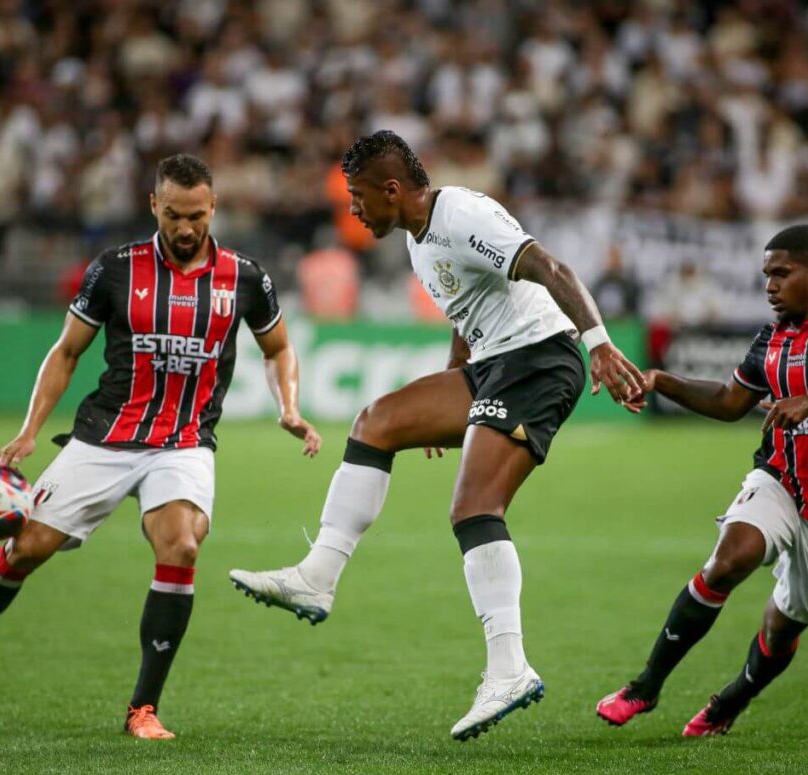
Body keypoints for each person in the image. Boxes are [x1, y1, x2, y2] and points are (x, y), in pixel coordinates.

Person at [228, 130, 645, 741]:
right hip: (492, 364)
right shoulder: (419, 239)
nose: (353, 209)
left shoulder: (462, 215)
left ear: (392, 189)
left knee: (474, 508)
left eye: (359, 195)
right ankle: (318, 578)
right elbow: (467, 315)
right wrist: (448, 392)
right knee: (375, 423)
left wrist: (600, 344)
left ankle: (509, 668)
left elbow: (551, 267)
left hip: (541, 360)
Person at [0, 154, 322, 740]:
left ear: (213, 207)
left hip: (184, 442)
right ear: (154, 205)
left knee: (182, 545)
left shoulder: (246, 277)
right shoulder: (116, 269)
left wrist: (288, 407)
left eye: (196, 215)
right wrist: (29, 429)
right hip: (107, 435)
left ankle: (142, 708)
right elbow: (67, 352)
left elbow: (278, 349)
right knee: (26, 548)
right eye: (174, 215)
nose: (186, 227)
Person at [596, 224, 808, 736]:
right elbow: (728, 402)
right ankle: (645, 686)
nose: (770, 285)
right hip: (781, 480)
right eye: (766, 275)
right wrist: (660, 379)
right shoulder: (772, 336)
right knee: (727, 560)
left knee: (781, 627)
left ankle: (732, 699)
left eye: (781, 273)